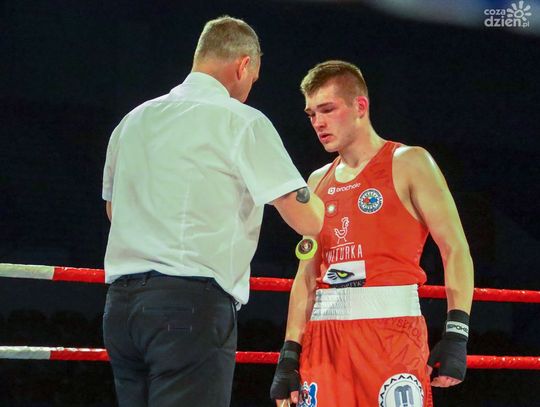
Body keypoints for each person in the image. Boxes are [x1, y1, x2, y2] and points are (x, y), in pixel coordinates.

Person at [101, 16, 324, 407]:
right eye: (253, 78)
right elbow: (306, 217)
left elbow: (113, 210)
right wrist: (321, 196)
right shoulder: (241, 120)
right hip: (190, 305)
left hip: (121, 309)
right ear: (243, 65)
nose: (250, 89)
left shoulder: (133, 120)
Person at [270, 60, 474, 407]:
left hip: (391, 336)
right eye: (311, 114)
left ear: (360, 106)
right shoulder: (317, 181)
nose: (318, 122)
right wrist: (290, 353)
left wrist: (456, 332)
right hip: (324, 343)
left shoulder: (410, 162)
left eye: (327, 109)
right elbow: (306, 274)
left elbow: (455, 249)